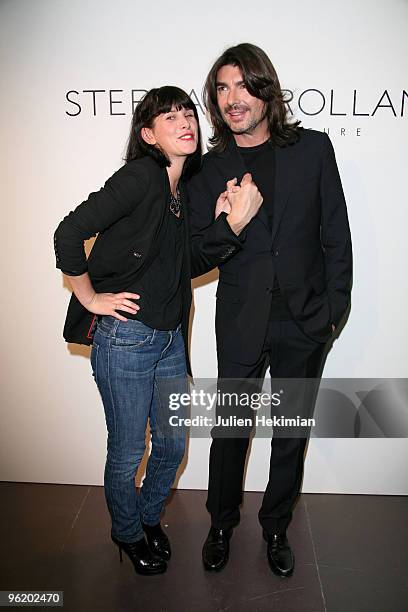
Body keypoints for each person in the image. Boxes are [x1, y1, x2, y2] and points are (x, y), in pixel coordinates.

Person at [54, 86, 262, 576]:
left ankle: (148, 519)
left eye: (187, 112)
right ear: (148, 134)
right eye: (169, 117)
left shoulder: (180, 191)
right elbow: (67, 232)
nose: (184, 121)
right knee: (128, 452)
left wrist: (224, 226)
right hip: (126, 341)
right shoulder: (141, 177)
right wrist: (90, 298)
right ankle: (126, 532)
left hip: (169, 341)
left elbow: (182, 264)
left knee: (170, 446)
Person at [187, 43, 353, 577]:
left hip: (305, 320)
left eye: (244, 85)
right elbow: (192, 256)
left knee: (290, 433)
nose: (233, 99)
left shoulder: (313, 150)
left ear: (267, 90)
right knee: (229, 431)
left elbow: (337, 237)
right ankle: (220, 523)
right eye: (222, 88)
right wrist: (224, 227)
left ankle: (276, 526)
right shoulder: (206, 170)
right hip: (241, 320)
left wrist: (333, 312)